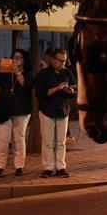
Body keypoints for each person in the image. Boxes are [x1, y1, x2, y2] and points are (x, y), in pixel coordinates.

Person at [0, 48, 35, 177]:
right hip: (4, 109)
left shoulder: (29, 74)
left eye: (19, 57)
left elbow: (26, 85)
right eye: (15, 57)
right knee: (2, 139)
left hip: (21, 110)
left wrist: (17, 72)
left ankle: (19, 166)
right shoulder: (5, 73)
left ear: (25, 60)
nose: (16, 59)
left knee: (19, 139)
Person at [35, 47, 76, 177]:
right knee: (48, 142)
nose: (63, 64)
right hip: (47, 111)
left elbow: (74, 90)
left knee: (61, 142)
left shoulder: (67, 73)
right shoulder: (43, 74)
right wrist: (57, 88)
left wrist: (70, 91)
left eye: (65, 61)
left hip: (63, 111)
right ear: (53, 59)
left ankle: (60, 167)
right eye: (60, 60)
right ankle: (48, 168)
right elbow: (40, 94)